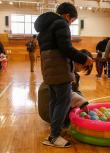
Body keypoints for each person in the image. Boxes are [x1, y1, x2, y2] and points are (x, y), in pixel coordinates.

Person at [34, 2, 93, 148]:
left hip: (49, 71)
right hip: (60, 70)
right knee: (62, 102)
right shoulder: (61, 24)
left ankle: (53, 133)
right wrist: (84, 58)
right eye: (72, 21)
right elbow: (66, 48)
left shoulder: (44, 29)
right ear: (67, 16)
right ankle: (54, 136)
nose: (71, 23)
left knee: (55, 101)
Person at [38, 49, 93, 124]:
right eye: (84, 67)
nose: (82, 69)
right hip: (48, 110)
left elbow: (76, 91)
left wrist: (83, 101)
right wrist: (82, 103)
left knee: (77, 106)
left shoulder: (72, 73)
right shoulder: (65, 73)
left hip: (51, 107)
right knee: (75, 114)